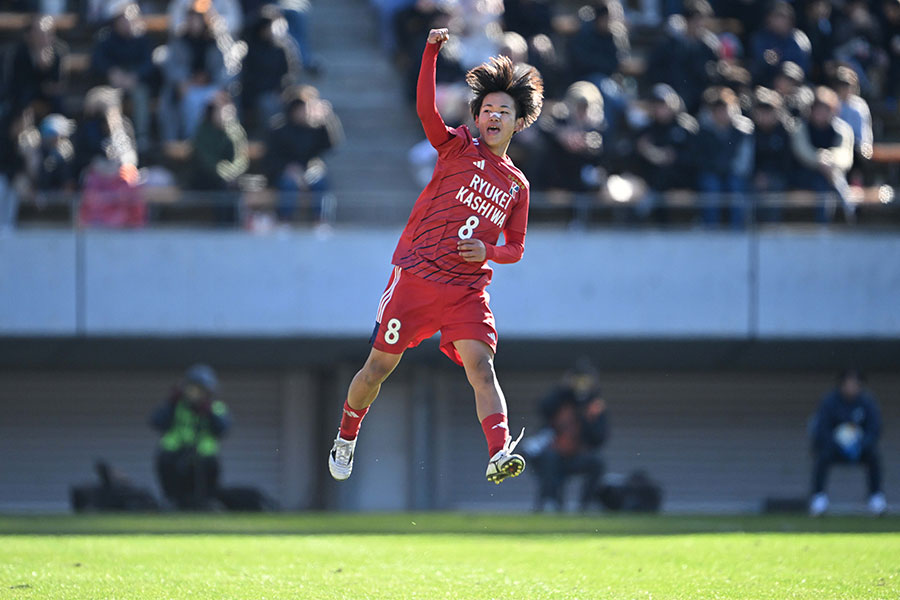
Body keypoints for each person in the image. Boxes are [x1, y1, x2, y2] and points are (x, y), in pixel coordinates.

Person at [327, 28, 543, 486]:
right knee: (378, 368)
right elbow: (425, 109)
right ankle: (346, 437)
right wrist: (429, 50)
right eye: (487, 108)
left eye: (503, 110)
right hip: (417, 278)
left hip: (465, 289)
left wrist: (489, 251)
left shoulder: (518, 186)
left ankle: (498, 451)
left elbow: (516, 249)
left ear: (518, 121)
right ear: (477, 116)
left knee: (482, 367)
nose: (493, 115)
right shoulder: (457, 147)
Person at [525, 361, 608, 512]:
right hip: (555, 453)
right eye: (578, 380)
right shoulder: (560, 398)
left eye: (585, 380)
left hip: (577, 455)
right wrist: (564, 389)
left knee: (597, 463)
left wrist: (587, 417)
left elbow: (599, 438)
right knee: (549, 461)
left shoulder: (594, 405)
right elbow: (543, 408)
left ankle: (585, 506)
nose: (581, 385)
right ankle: (550, 503)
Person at [150, 364, 231, 510]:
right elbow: (156, 422)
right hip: (176, 453)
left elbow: (223, 429)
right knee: (165, 461)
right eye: (193, 389)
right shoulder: (175, 405)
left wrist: (209, 412)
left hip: (203, 456)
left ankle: (207, 500)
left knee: (210, 466)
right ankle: (172, 500)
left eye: (201, 390)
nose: (196, 394)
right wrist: (170, 403)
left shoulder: (215, 407)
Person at [809, 370, 886, 517]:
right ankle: (819, 499)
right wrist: (837, 443)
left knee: (874, 456)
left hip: (860, 448)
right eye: (849, 384)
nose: (852, 387)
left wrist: (861, 444)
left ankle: (876, 499)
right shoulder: (830, 402)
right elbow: (821, 429)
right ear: (842, 385)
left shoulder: (867, 402)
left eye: (855, 384)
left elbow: (875, 428)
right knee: (821, 457)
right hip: (835, 448)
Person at [264, 84, 342, 222]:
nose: (304, 112)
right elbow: (271, 158)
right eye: (300, 108)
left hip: (309, 171)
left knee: (320, 182)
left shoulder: (315, 130)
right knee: (288, 185)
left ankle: (321, 220)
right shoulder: (278, 128)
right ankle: (284, 220)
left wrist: (327, 119)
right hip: (284, 172)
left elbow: (331, 145)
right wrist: (287, 169)